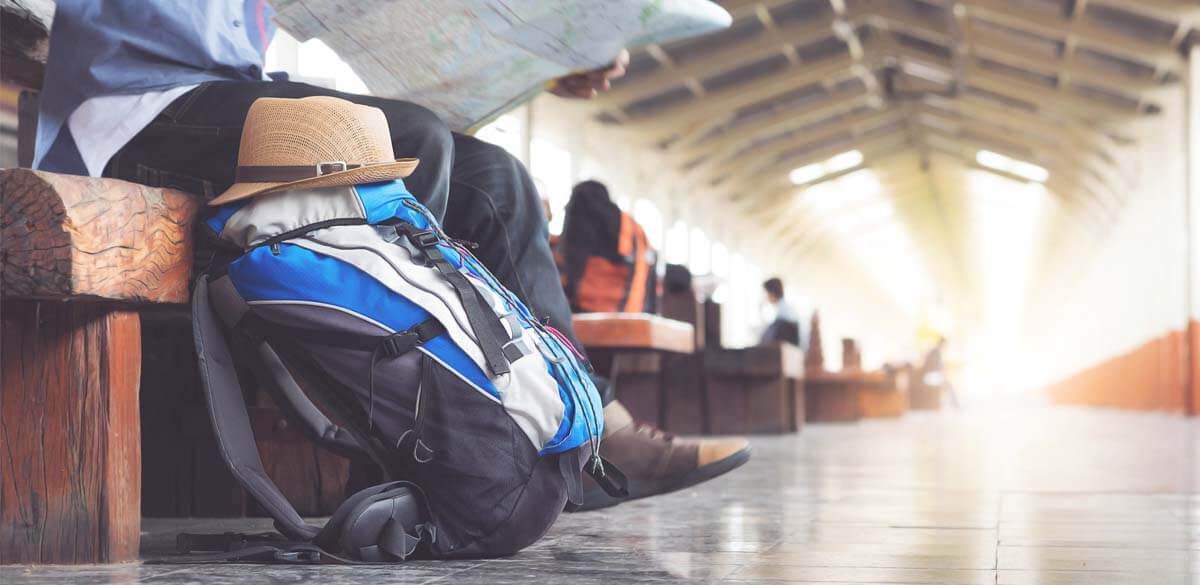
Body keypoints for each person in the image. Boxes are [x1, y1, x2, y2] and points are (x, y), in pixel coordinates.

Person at [34, 0, 748, 512]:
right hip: (132, 106)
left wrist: (550, 56)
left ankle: (586, 432)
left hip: (229, 92)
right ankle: (407, 444)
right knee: (411, 141)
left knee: (499, 181)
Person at [560, 180, 658, 314]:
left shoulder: (583, 213)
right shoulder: (632, 227)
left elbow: (572, 264)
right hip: (634, 312)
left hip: (589, 313)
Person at [759, 277, 805, 348]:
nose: (765, 297)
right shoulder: (784, 309)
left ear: (771, 293)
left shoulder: (784, 312)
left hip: (787, 349)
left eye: (766, 293)